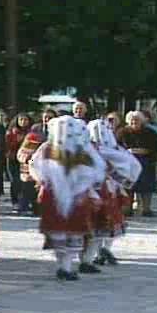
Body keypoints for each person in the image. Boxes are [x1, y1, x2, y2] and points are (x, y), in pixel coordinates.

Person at [29, 116, 106, 280]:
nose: (66, 133)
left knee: (74, 231)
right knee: (59, 231)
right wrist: (42, 180)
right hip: (54, 196)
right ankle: (63, 267)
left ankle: (66, 267)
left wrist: (87, 188)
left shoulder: (83, 150)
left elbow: (95, 171)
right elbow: (34, 165)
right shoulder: (47, 149)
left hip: (78, 196)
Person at [84, 119, 141, 268]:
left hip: (107, 191)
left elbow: (130, 166)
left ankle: (101, 251)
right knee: (100, 222)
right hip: (100, 191)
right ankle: (96, 253)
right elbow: (131, 167)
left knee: (108, 221)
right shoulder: (95, 149)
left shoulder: (111, 149)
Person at [116, 111, 157, 217]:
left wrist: (146, 151)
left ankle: (146, 209)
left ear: (141, 121)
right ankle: (127, 208)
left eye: (137, 120)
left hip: (146, 162)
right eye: (132, 120)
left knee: (146, 187)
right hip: (128, 163)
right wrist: (128, 151)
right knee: (128, 186)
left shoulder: (150, 132)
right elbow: (116, 147)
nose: (134, 122)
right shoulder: (122, 132)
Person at [5, 113, 33, 209]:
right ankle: (15, 201)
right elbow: (7, 146)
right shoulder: (11, 132)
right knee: (15, 181)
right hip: (13, 160)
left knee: (25, 182)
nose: (23, 122)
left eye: (25, 120)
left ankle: (24, 202)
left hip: (25, 161)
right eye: (21, 120)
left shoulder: (31, 132)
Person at [16, 132, 43, 215]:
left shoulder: (38, 151)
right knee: (25, 193)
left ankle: (37, 210)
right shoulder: (23, 150)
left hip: (35, 176)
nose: (33, 145)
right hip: (26, 175)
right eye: (31, 143)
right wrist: (31, 160)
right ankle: (22, 208)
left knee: (35, 194)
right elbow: (22, 158)